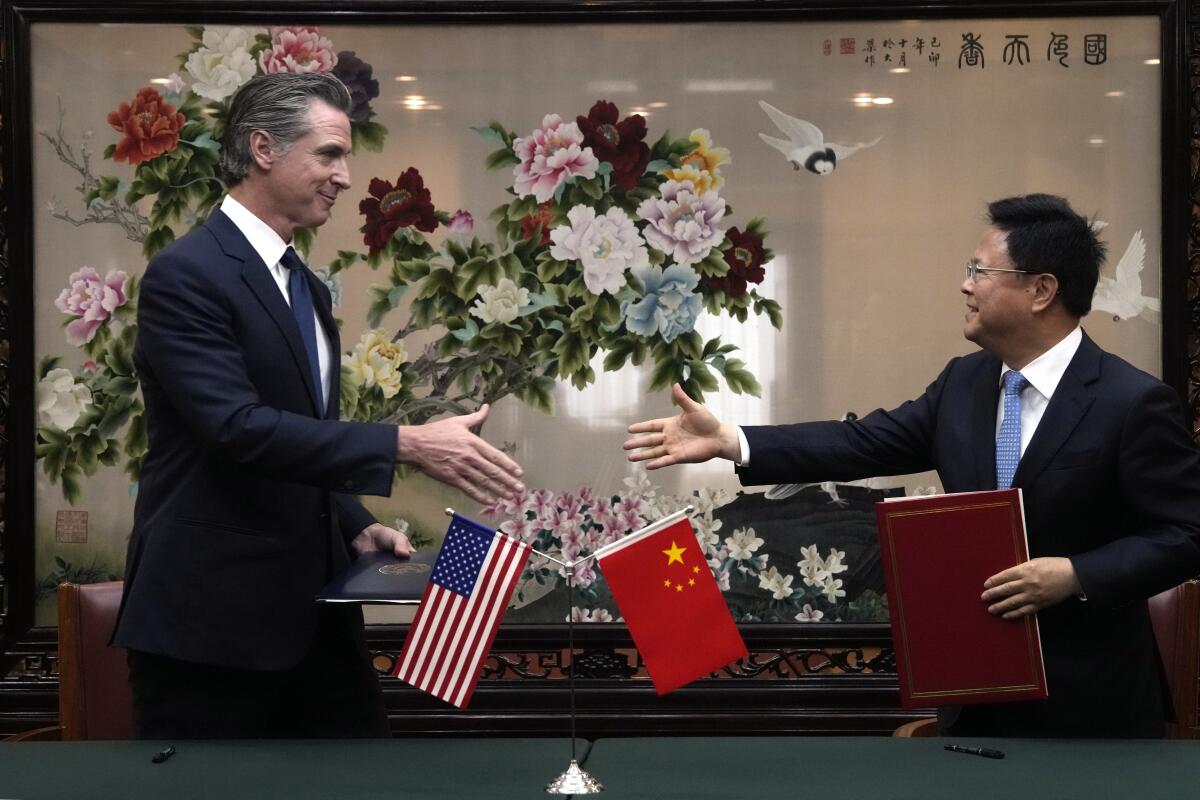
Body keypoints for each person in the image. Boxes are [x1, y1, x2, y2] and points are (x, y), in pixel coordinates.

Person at [624, 194, 1200, 738]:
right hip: (976, 695)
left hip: (1091, 707)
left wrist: (1076, 574)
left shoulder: (1132, 402)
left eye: (980, 271)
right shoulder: (964, 383)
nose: (964, 285)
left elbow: (1186, 534)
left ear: (1041, 289)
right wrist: (732, 438)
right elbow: (859, 443)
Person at [112, 72, 525, 739]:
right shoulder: (186, 273)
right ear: (264, 149)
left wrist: (352, 521)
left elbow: (304, 434)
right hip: (212, 631)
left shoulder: (304, 285)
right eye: (329, 154)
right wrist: (408, 444)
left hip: (318, 625)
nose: (344, 175)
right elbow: (236, 429)